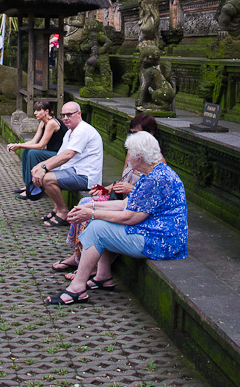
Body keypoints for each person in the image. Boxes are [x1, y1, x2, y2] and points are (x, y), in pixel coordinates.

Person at [45, 131, 187, 305]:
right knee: (100, 220)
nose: (127, 159)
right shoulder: (153, 172)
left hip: (162, 241)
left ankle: (77, 289)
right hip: (156, 232)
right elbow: (124, 204)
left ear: (139, 157)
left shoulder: (156, 179)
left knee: (98, 228)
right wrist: (91, 205)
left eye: (130, 155)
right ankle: (103, 276)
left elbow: (130, 217)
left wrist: (91, 213)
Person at [53, 113, 158, 273]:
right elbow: (124, 179)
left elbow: (150, 192)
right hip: (120, 197)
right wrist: (107, 188)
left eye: (138, 133)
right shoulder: (132, 152)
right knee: (84, 203)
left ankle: (91, 265)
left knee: (92, 215)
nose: (133, 137)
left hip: (136, 206)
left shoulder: (156, 161)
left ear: (150, 135)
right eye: (132, 133)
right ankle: (77, 254)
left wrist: (130, 190)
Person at [31, 101, 103, 228]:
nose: (65, 118)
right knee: (43, 173)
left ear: (79, 114)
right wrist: (40, 166)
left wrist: (44, 168)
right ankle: (57, 209)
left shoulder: (82, 131)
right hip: (73, 170)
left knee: (46, 178)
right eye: (63, 115)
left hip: (86, 176)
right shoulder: (70, 132)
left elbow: (68, 155)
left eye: (69, 115)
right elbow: (60, 155)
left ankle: (63, 212)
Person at [7, 100, 66, 199]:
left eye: (38, 111)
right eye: (35, 110)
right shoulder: (43, 123)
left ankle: (33, 189)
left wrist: (19, 146)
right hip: (51, 152)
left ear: (46, 111)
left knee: (33, 153)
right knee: (26, 150)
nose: (35, 113)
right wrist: (17, 144)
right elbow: (34, 141)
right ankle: (28, 185)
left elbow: (41, 146)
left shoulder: (52, 123)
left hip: (59, 155)